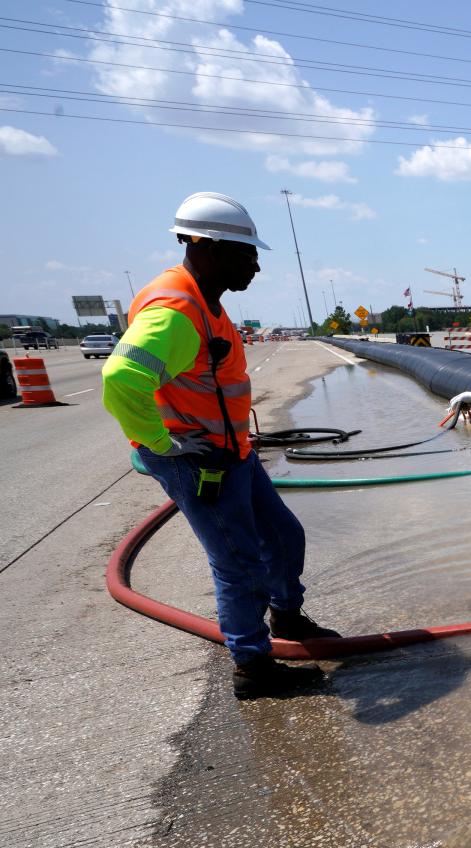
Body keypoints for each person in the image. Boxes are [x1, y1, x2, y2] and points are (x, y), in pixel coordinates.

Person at [103, 192, 339, 700]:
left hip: (232, 453)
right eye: (246, 252)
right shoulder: (177, 310)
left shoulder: (206, 301)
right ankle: (254, 669)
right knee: (239, 563)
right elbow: (122, 379)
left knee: (282, 536)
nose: (255, 264)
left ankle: (288, 620)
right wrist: (164, 446)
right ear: (208, 247)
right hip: (201, 461)